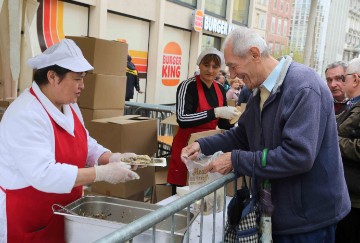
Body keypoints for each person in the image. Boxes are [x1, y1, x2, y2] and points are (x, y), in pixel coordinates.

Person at [181, 26, 350, 242]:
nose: (232, 75)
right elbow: (242, 134)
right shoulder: (258, 91)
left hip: (308, 220)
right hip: (280, 212)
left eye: (233, 66)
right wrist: (203, 145)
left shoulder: (304, 87)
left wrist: (236, 159)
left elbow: (298, 156)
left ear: (254, 54)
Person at [0, 39, 140, 243]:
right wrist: (101, 174)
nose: (82, 86)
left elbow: (83, 141)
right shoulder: (26, 114)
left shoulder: (69, 105)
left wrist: (109, 157)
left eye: (83, 78)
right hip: (29, 217)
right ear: (52, 77)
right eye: (77, 79)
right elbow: (43, 174)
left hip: (62, 211)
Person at [167, 48, 239, 190]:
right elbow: (182, 119)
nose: (210, 70)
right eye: (206, 65)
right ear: (199, 65)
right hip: (186, 148)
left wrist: (234, 119)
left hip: (207, 147)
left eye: (215, 66)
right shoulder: (187, 86)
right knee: (181, 191)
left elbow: (223, 123)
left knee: (203, 191)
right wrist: (215, 112)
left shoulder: (220, 89)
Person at [335, 58, 360, 243]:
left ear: (356, 79)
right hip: (347, 195)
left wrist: (334, 141)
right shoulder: (351, 105)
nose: (342, 83)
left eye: (344, 77)